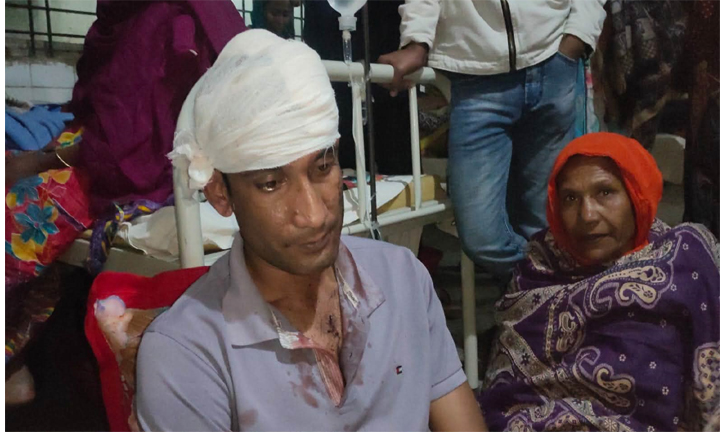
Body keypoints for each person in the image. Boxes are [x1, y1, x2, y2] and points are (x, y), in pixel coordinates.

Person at [135, 29, 487, 431]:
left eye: (323, 167)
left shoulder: (403, 278)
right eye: (271, 183)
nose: (314, 215)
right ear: (220, 194)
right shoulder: (187, 354)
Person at [480, 132, 720, 431]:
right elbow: (504, 395)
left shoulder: (683, 261)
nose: (587, 215)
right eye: (570, 198)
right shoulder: (537, 269)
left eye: (605, 192)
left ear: (637, 195)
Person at [378, 0, 607, 280]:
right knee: (482, 238)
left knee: (544, 223)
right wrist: (416, 41)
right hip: (475, 76)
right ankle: (560, 287)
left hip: (553, 61)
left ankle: (543, 301)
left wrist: (578, 37)